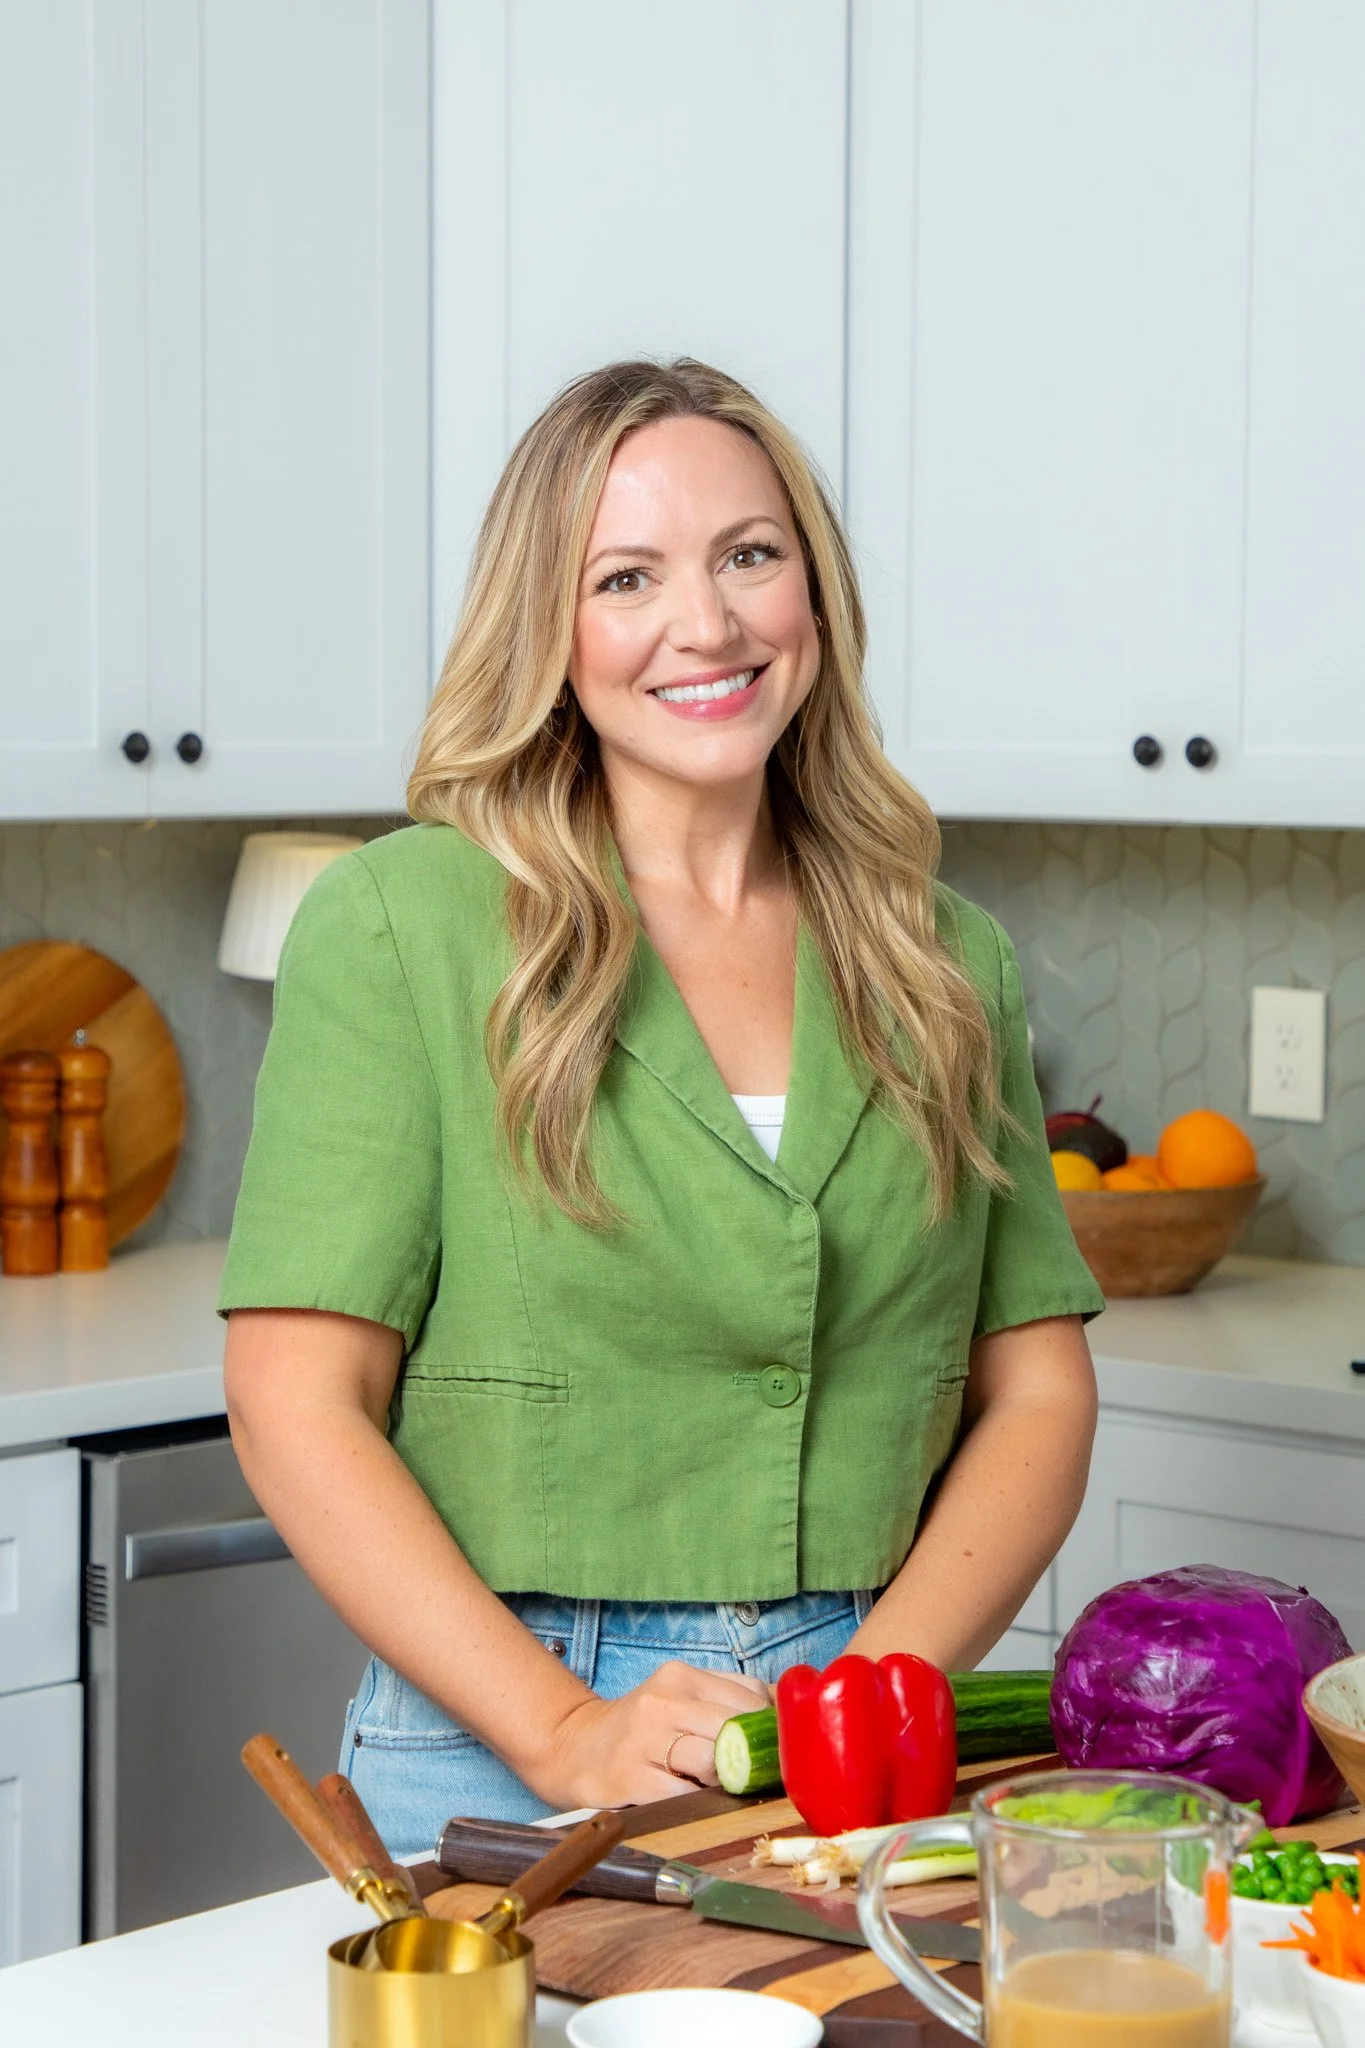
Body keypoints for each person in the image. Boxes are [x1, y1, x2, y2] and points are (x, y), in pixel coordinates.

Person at [220, 358, 1101, 1852]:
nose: (708, 624)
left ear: (811, 591)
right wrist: (563, 1727)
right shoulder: (400, 928)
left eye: (751, 555)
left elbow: (1038, 1392)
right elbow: (297, 1399)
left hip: (863, 1710)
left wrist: (871, 1689)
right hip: (502, 1733)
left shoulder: (947, 960)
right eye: (627, 576)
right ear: (547, 631)